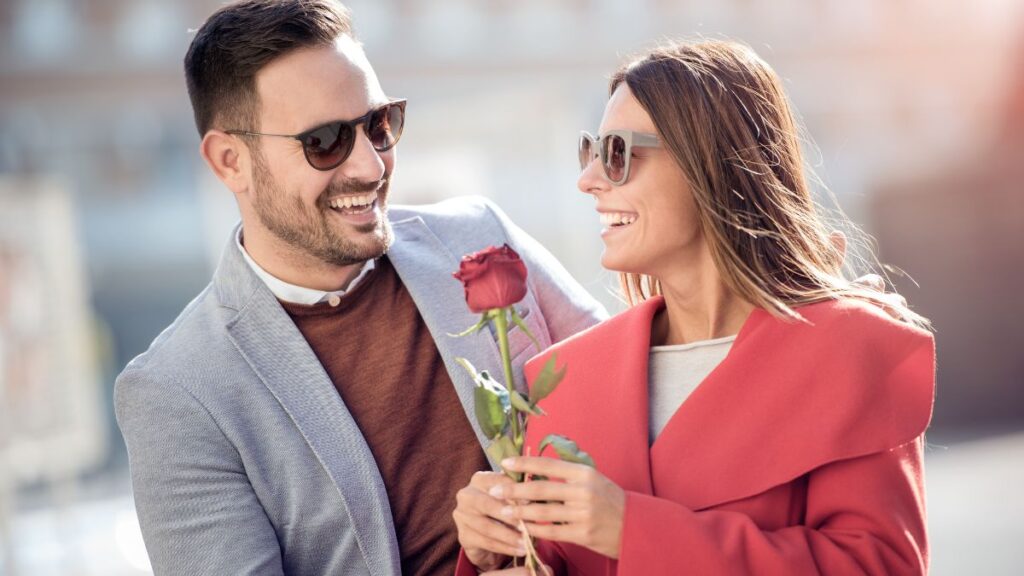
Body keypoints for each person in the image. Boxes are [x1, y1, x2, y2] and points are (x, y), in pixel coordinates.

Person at [112, 1, 605, 574]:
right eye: (324, 141)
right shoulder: (176, 395)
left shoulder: (480, 237)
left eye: (380, 124)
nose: (372, 167)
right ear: (230, 161)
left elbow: (632, 385)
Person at [453, 40, 935, 575]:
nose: (587, 181)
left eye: (616, 152)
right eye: (590, 151)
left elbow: (877, 566)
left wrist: (633, 530)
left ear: (709, 162)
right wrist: (494, 549)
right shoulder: (565, 379)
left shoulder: (850, 349)